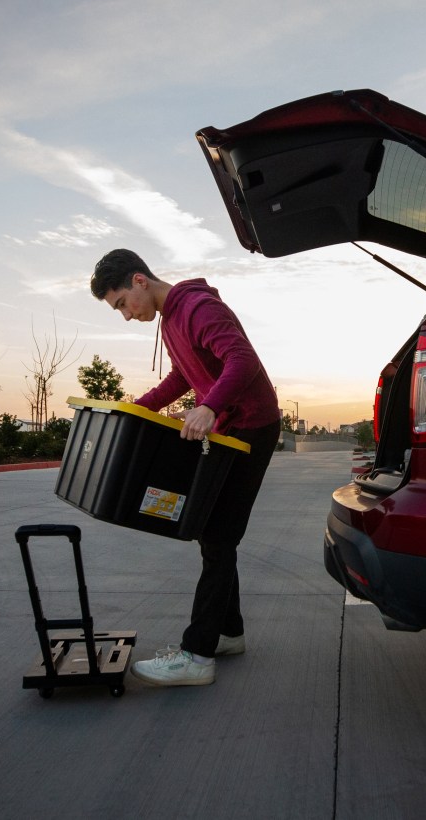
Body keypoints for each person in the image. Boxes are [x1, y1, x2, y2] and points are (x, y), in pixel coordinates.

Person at [89, 249, 279, 686]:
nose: (125, 315)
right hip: (231, 427)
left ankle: (196, 655)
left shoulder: (197, 308)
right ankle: (227, 633)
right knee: (215, 534)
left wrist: (210, 406)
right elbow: (181, 378)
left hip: (250, 426)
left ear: (139, 281)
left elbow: (242, 361)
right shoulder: (170, 320)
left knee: (217, 534)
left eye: (121, 303)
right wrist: (134, 410)